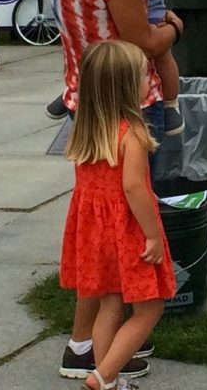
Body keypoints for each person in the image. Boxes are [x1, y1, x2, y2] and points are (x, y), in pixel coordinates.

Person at [49, 0, 182, 381]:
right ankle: (110, 353)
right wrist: (173, 28)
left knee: (96, 229)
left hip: (83, 94)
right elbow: (142, 41)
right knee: (130, 223)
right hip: (128, 96)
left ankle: (83, 346)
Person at [59, 40, 176, 390]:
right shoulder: (133, 134)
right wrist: (153, 234)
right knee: (149, 310)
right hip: (128, 231)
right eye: (144, 75)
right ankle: (102, 376)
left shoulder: (87, 130)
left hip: (95, 234)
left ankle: (109, 379)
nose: (149, 79)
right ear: (126, 87)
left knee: (109, 302)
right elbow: (133, 188)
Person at [46, 0, 185, 137]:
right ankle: (73, 89)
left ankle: (170, 104)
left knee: (161, 53)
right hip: (110, 6)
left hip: (150, 7)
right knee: (87, 44)